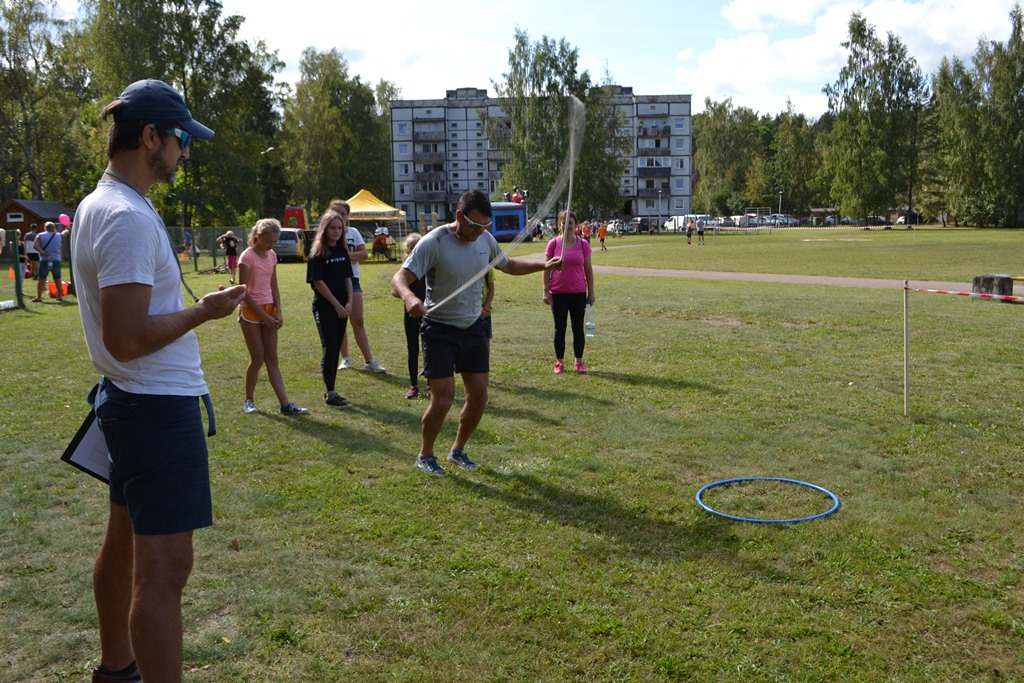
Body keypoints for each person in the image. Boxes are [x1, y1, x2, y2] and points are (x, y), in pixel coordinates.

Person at [71, 78, 246, 683]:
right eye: (180, 139)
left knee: (123, 544)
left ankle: (116, 669)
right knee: (164, 574)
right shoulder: (125, 217)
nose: (185, 152)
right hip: (153, 407)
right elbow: (127, 336)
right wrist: (205, 310)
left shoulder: (105, 203)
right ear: (151, 137)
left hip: (128, 402)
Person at [392, 189, 563, 475]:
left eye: (485, 226)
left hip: (473, 328)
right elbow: (400, 278)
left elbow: (509, 265)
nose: (478, 232)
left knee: (479, 396)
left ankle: (457, 450)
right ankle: (426, 454)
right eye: (474, 225)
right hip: (440, 329)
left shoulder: (484, 238)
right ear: (459, 216)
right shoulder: (434, 241)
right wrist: (410, 298)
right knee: (443, 398)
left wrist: (544, 265)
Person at [238, 218, 309, 415]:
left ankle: (285, 404)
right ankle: (249, 400)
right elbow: (243, 292)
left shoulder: (272, 256)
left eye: (275, 242)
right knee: (258, 359)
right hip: (250, 311)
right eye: (269, 241)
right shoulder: (247, 257)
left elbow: (274, 286)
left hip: (269, 309)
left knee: (272, 358)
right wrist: (263, 315)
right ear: (258, 237)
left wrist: (278, 311)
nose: (272, 245)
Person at [331, 199, 386, 373]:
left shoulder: (353, 232)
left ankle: (369, 360)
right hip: (333, 282)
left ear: (347, 216)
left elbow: (364, 254)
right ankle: (345, 358)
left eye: (343, 214)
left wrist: (347, 256)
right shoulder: (327, 234)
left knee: (358, 321)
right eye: (336, 213)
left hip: (352, 280)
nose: (339, 217)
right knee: (339, 322)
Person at [306, 210, 354, 409]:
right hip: (326, 307)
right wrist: (336, 304)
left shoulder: (342, 251)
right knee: (330, 347)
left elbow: (347, 278)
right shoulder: (317, 254)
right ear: (324, 230)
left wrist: (349, 302)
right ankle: (330, 393)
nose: (336, 231)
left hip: (344, 307)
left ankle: (333, 392)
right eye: (332, 228)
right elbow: (318, 282)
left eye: (339, 228)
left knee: (336, 349)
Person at [543, 210, 595, 375]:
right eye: (564, 222)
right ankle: (559, 362)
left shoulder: (583, 244)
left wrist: (591, 292)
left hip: (578, 292)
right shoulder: (554, 244)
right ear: (560, 225)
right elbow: (546, 269)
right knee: (560, 328)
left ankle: (578, 361)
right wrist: (546, 291)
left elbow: (588, 269)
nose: (567, 226)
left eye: (570, 223)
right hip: (558, 293)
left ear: (576, 225)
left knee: (578, 328)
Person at [399, 232, 426, 399]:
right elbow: (397, 289)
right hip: (410, 314)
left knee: (428, 349)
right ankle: (413, 385)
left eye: (419, 248)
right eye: (412, 248)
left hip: (427, 313)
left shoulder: (428, 266)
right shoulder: (404, 271)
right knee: (413, 349)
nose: (415, 251)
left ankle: (430, 384)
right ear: (407, 250)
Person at [33, 221, 64, 302]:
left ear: (45, 228)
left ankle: (39, 297)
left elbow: (35, 246)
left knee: (42, 279)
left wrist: (43, 252)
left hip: (45, 260)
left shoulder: (40, 235)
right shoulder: (59, 235)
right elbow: (65, 233)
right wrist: (67, 228)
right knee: (57, 279)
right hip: (56, 259)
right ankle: (59, 296)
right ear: (54, 228)